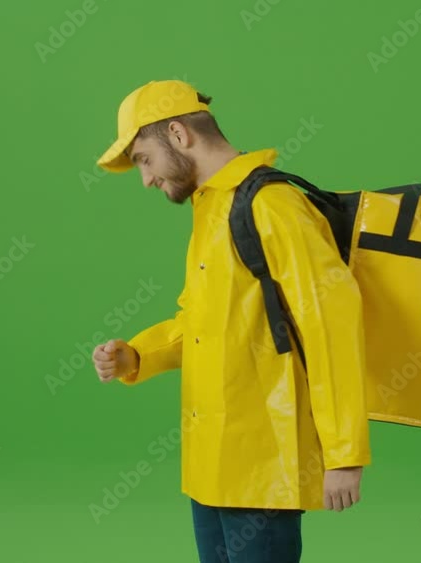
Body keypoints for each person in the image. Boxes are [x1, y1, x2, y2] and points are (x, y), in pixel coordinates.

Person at [90, 79, 371, 563]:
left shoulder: (272, 205)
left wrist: (344, 454)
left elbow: (332, 323)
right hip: (210, 468)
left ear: (178, 134)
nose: (146, 179)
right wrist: (140, 354)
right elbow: (200, 320)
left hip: (263, 468)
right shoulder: (211, 207)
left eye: (143, 159)